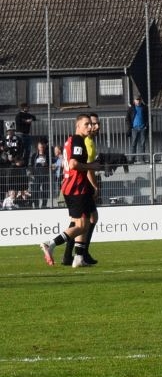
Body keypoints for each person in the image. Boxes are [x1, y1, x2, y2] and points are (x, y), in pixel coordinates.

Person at [44, 113, 102, 268]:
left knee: (88, 220)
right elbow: (74, 163)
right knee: (81, 225)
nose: (90, 127)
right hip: (76, 187)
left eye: (91, 124)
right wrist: (92, 166)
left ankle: (79, 258)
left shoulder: (76, 140)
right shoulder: (77, 140)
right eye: (86, 124)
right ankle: (50, 244)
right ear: (78, 126)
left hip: (78, 186)